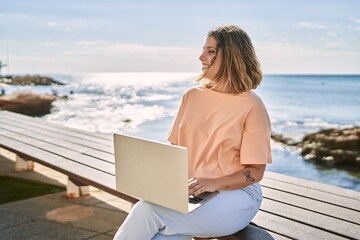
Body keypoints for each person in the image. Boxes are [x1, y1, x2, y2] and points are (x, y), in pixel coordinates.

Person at [113, 25, 272, 240]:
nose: (201, 57)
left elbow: (255, 172)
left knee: (148, 210)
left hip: (237, 196)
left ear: (232, 56)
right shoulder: (192, 96)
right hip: (193, 192)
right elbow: (175, 150)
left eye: (210, 51)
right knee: (163, 237)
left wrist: (214, 182)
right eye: (203, 50)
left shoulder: (253, 106)